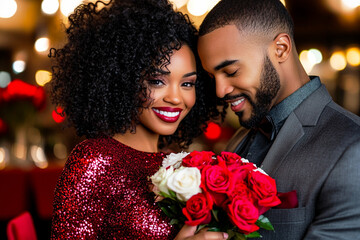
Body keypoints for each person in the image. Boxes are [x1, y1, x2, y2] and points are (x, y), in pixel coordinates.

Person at [49, 0, 228, 239]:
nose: (176, 98)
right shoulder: (95, 161)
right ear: (123, 80)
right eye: (157, 81)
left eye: (187, 83)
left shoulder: (178, 163)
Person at [197, 0, 360, 239]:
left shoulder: (352, 149)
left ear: (281, 48)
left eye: (231, 72)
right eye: (213, 77)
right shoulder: (239, 138)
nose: (220, 91)